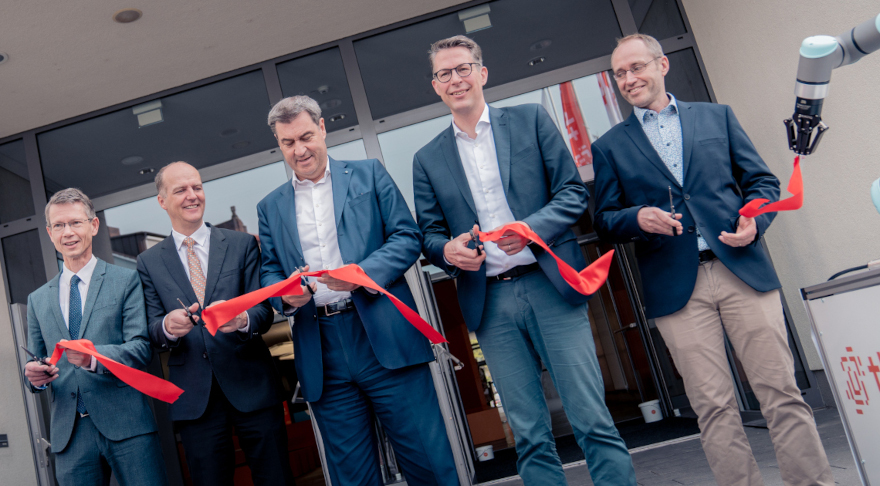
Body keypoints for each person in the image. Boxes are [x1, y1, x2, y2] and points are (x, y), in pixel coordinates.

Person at [591, 33, 834, 486]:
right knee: (713, 407)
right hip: (676, 288)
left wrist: (755, 224)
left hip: (742, 270)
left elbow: (762, 183)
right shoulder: (609, 146)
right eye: (620, 73)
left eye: (636, 67)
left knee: (781, 393)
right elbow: (604, 220)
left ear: (662, 65)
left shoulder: (716, 117)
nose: (628, 79)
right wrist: (637, 217)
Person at [412, 35, 636, 485]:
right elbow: (430, 237)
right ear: (435, 86)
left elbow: (573, 193)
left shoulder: (531, 120)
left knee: (591, 417)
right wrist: (448, 250)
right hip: (490, 303)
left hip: (548, 284)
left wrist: (531, 229)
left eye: (462, 69)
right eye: (444, 74)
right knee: (529, 432)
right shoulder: (427, 158)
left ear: (482, 73)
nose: (455, 80)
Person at [258, 95, 458, 485]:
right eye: (288, 143)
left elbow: (407, 236)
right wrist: (283, 295)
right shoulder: (270, 207)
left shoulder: (369, 174)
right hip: (322, 349)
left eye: (305, 137)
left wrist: (362, 274)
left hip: (383, 334)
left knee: (429, 463)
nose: (299, 150)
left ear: (323, 129)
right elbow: (270, 270)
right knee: (353, 478)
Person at [136, 162, 293, 486]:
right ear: (162, 201)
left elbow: (264, 311)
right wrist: (168, 326)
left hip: (253, 386)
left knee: (276, 477)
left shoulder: (241, 244)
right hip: (195, 398)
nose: (192, 196)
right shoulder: (149, 262)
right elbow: (151, 328)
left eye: (197, 187)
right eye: (181, 190)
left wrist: (242, 319)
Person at [23, 188, 168, 486]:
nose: (68, 232)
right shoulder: (37, 300)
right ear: (50, 233)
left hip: (127, 425)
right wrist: (33, 377)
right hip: (70, 435)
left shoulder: (125, 280)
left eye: (76, 222)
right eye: (60, 226)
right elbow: (37, 360)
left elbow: (141, 349)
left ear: (93, 225)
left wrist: (94, 359)